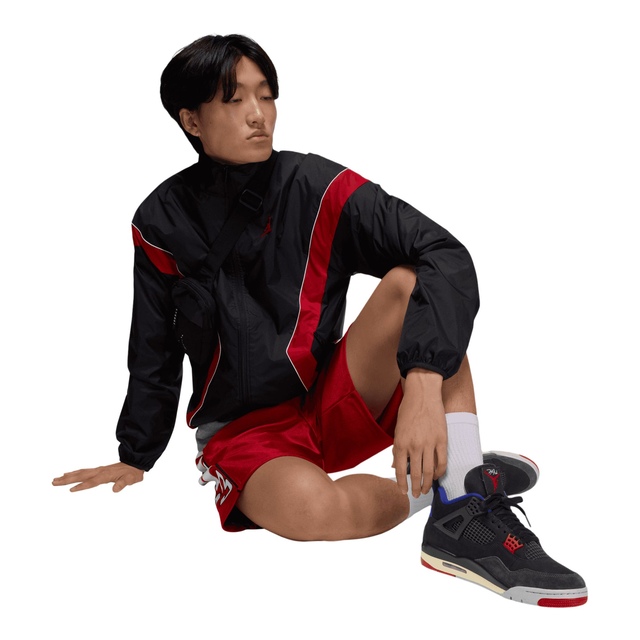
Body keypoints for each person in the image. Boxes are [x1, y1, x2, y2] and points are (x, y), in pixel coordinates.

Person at [53, 34, 587, 607]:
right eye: (235, 99)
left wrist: (423, 382)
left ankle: (463, 513)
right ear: (191, 120)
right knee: (313, 513)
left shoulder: (316, 185)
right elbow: (153, 346)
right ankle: (453, 482)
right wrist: (135, 454)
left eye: (266, 96)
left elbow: (445, 255)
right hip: (244, 434)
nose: (259, 115)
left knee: (416, 284)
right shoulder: (161, 220)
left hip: (330, 396)